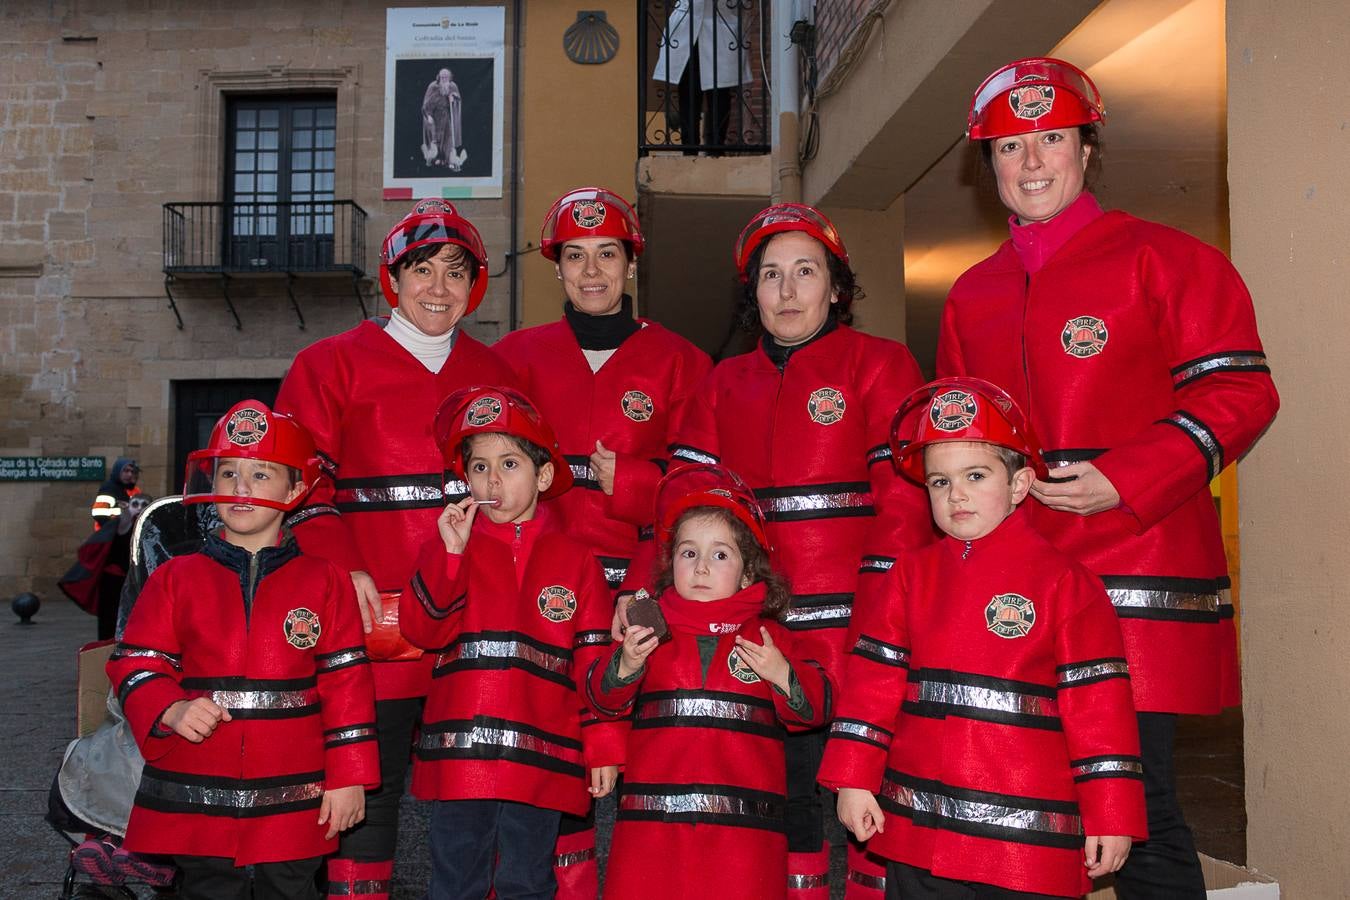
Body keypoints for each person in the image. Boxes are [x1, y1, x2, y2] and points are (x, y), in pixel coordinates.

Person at [937, 57, 1279, 897]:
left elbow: (1244, 390)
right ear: (989, 170)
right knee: (1029, 801)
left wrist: (1124, 479)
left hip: (1138, 567)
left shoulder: (1170, 261)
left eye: (1052, 138)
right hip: (1017, 579)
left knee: (1137, 805)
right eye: (1012, 147)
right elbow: (953, 446)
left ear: (1087, 151)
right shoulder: (969, 297)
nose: (1033, 163)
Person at [659, 203, 932, 898]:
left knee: (874, 788)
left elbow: (903, 497)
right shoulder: (720, 383)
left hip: (865, 625)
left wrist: (884, 612)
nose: (786, 290)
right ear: (752, 294)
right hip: (760, 632)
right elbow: (687, 497)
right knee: (786, 799)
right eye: (770, 275)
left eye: (804, 272)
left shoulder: (883, 364)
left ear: (836, 288)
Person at [818, 378, 1147, 898]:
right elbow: (872, 686)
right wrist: (853, 778)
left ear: (1019, 486)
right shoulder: (909, 576)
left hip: (1025, 844)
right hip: (919, 833)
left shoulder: (1066, 584)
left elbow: (1099, 708)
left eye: (976, 475)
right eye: (939, 482)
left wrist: (1112, 812)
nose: (957, 495)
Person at [275, 198, 519, 900]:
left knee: (477, 793)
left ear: (475, 284)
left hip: (478, 622)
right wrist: (338, 561)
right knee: (363, 791)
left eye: (455, 271)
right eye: (422, 270)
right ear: (393, 279)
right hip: (372, 623)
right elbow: (300, 485)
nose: (439, 287)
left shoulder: (499, 372)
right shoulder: (327, 366)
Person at [493, 186, 712, 895]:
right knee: (551, 760)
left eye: (607, 254)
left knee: (644, 761)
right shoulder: (514, 358)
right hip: (537, 595)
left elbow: (698, 493)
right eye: (576, 256)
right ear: (555, 266)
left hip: (641, 585)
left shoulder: (682, 362)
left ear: (630, 264)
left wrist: (636, 488)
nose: (592, 272)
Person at [105, 400, 378, 900]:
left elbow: (346, 684)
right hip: (197, 784)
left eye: (261, 473)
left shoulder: (326, 581)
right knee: (205, 888)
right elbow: (136, 659)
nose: (241, 488)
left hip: (298, 791)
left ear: (295, 490)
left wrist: (350, 777)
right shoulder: (174, 578)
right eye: (228, 472)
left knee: (291, 889)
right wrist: (171, 706)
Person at [397, 385, 622, 899]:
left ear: (543, 476)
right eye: (479, 467)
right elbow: (421, 628)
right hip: (462, 760)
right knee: (456, 880)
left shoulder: (575, 560)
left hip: (542, 757)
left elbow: (592, 660)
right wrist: (450, 556)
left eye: (510, 463)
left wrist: (603, 744)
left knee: (528, 881)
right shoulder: (450, 544)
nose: (493, 478)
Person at [591, 464, 834, 899]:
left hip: (743, 839)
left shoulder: (770, 636)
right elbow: (603, 699)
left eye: (720, 555)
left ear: (747, 574)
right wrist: (626, 663)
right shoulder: (648, 623)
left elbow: (815, 712)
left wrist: (782, 675)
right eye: (688, 553)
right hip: (652, 831)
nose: (701, 566)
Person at [653, 0, 753, 152]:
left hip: (721, 25)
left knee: (720, 91)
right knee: (688, 91)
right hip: (685, 28)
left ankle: (716, 148)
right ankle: (689, 147)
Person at [86, 457, 143, 638]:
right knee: (109, 602)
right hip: (109, 548)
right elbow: (99, 513)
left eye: (132, 472)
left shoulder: (134, 492)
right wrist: (124, 512)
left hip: (125, 548)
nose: (129, 475)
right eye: (125, 471)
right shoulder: (109, 489)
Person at [421, 67, 465, 171]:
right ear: (439, 77)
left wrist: (453, 98)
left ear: (449, 77)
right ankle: (436, 158)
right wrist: (429, 116)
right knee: (435, 138)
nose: (444, 78)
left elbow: (458, 99)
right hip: (434, 116)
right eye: (442, 77)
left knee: (448, 138)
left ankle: (448, 160)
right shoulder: (433, 86)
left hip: (446, 116)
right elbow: (426, 104)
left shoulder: (452, 86)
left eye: (446, 77)